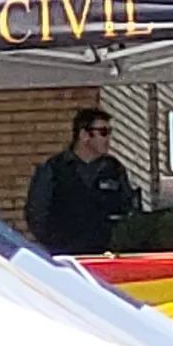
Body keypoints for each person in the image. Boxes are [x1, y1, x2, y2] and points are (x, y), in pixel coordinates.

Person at [24, 107, 139, 256]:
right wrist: (54, 243)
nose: (108, 139)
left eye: (109, 133)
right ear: (84, 134)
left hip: (105, 254)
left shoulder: (114, 169)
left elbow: (127, 209)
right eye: (103, 132)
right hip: (66, 255)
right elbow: (37, 212)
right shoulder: (54, 168)